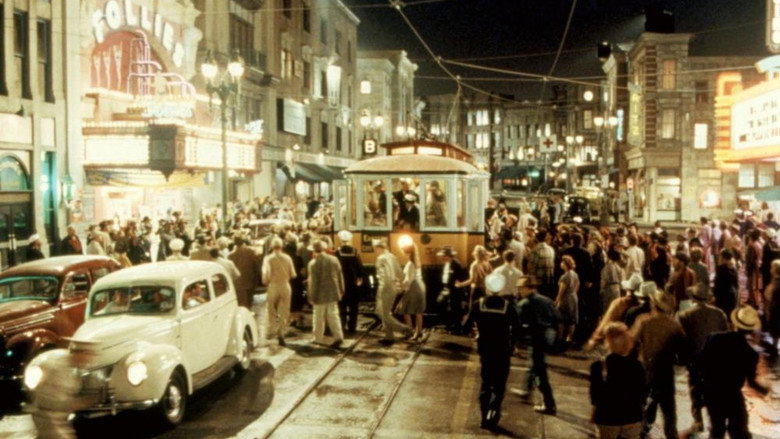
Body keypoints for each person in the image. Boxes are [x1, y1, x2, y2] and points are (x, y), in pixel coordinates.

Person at [698, 305, 769, 438]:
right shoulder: (751, 354)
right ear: (751, 330)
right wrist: (764, 389)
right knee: (739, 429)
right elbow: (751, 383)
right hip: (732, 395)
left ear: (734, 323)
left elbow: (700, 363)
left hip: (712, 392)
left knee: (716, 429)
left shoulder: (714, 338)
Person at [463, 273, 520, 430]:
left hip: (485, 349)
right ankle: (494, 413)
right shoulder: (508, 307)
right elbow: (518, 329)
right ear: (501, 288)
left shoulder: (478, 304)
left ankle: (483, 418)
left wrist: (476, 333)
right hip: (502, 349)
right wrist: (513, 344)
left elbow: (465, 326)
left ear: (487, 288)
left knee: (486, 383)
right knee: (500, 384)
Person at [631, 289, 687, 439]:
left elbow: (630, 341)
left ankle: (641, 431)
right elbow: (683, 351)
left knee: (640, 404)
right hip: (665, 371)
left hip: (645, 369)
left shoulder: (644, 321)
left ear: (653, 304)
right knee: (669, 413)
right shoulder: (674, 325)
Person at [677, 283, 729, 433]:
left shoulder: (684, 315)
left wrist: (683, 359)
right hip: (716, 359)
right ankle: (717, 420)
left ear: (693, 298)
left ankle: (698, 421)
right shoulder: (719, 314)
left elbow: (682, 340)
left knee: (695, 390)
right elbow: (726, 336)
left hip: (696, 359)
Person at [512, 276, 560, 415]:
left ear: (528, 288)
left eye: (521, 288)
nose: (519, 291)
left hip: (537, 338)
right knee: (532, 364)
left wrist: (515, 342)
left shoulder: (525, 303)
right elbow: (558, 318)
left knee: (539, 372)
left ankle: (549, 404)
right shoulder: (546, 300)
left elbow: (516, 325)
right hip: (548, 336)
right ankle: (526, 391)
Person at [589, 322, 646, 439]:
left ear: (607, 342)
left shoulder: (598, 366)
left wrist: (593, 414)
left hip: (607, 418)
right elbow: (642, 394)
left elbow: (595, 395)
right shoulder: (637, 366)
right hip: (632, 417)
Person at [373, 239, 413, 344]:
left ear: (379, 248)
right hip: (392, 287)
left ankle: (405, 329)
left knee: (383, 313)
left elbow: (384, 276)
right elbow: (400, 272)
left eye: (375, 249)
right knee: (383, 312)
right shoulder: (392, 256)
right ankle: (389, 336)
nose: (375, 251)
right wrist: (402, 285)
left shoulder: (381, 258)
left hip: (385, 287)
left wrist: (382, 289)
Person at [307, 240, 346, 348]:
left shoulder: (313, 264)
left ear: (314, 251)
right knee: (333, 315)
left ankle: (317, 338)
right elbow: (340, 275)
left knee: (318, 317)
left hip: (319, 294)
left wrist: (311, 296)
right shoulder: (334, 259)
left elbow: (314, 282)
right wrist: (341, 290)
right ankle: (338, 337)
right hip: (333, 292)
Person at [262, 237, 296, 347]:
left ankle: (271, 330)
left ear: (272, 247)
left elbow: (265, 275)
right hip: (285, 285)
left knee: (271, 309)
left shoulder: (268, 259)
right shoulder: (287, 258)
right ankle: (281, 333)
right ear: (282, 247)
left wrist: (266, 281)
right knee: (284, 311)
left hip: (273, 286)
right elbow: (293, 274)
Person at [335, 230, 365, 334]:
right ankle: (352, 327)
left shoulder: (337, 252)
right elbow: (359, 267)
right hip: (353, 282)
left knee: (342, 306)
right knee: (353, 306)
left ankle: (342, 326)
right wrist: (360, 277)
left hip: (342, 282)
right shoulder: (355, 252)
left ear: (340, 240)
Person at [436, 246, 468, 334]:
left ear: (448, 256)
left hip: (455, 290)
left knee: (455, 308)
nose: (442, 258)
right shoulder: (447, 264)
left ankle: (457, 328)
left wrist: (456, 287)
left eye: (444, 256)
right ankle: (450, 325)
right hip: (447, 288)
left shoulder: (456, 265)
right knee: (445, 305)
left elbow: (460, 278)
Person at [399, 240, 426, 341]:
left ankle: (410, 331)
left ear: (408, 253)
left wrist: (400, 287)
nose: (403, 253)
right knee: (418, 311)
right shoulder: (417, 262)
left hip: (413, 287)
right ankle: (419, 332)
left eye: (404, 251)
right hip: (420, 285)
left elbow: (408, 281)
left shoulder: (410, 264)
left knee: (405, 309)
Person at [455, 245, 493, 310]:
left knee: (474, 309)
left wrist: (460, 284)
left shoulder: (474, 265)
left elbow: (472, 280)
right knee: (484, 308)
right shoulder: (487, 263)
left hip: (477, 289)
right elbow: (492, 275)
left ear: (476, 254)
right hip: (486, 289)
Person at [229, 235, 261, 308]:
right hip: (250, 279)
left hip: (238, 283)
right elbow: (257, 265)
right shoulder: (251, 251)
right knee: (249, 300)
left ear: (235, 243)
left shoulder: (231, 255)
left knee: (241, 302)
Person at [555, 255, 579, 344]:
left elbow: (561, 291)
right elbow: (577, 287)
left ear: (565, 264)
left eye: (562, 262)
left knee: (561, 319)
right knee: (572, 320)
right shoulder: (575, 274)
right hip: (573, 297)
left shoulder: (564, 276)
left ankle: (560, 337)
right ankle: (569, 338)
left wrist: (557, 301)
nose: (561, 264)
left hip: (565, 299)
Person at [527, 230, 556, 299]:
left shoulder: (535, 250)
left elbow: (531, 268)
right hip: (549, 280)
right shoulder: (551, 249)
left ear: (536, 239)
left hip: (538, 282)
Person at [713, 248, 739, 317]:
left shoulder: (721, 268)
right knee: (730, 315)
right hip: (732, 294)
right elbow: (736, 283)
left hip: (722, 295)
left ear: (723, 258)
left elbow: (717, 283)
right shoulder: (733, 268)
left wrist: (714, 294)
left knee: (721, 315)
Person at [600, 249, 624, 313]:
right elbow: (621, 279)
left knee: (608, 308)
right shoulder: (618, 267)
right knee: (615, 308)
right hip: (617, 288)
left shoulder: (607, 267)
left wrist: (601, 290)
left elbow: (604, 280)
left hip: (609, 289)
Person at [765, 260, 780, 356]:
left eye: (772, 267)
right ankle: (774, 345)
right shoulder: (775, 280)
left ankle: (775, 347)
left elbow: (773, 296)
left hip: (776, 308)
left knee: (776, 327)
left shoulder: (777, 282)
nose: (770, 269)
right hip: (775, 307)